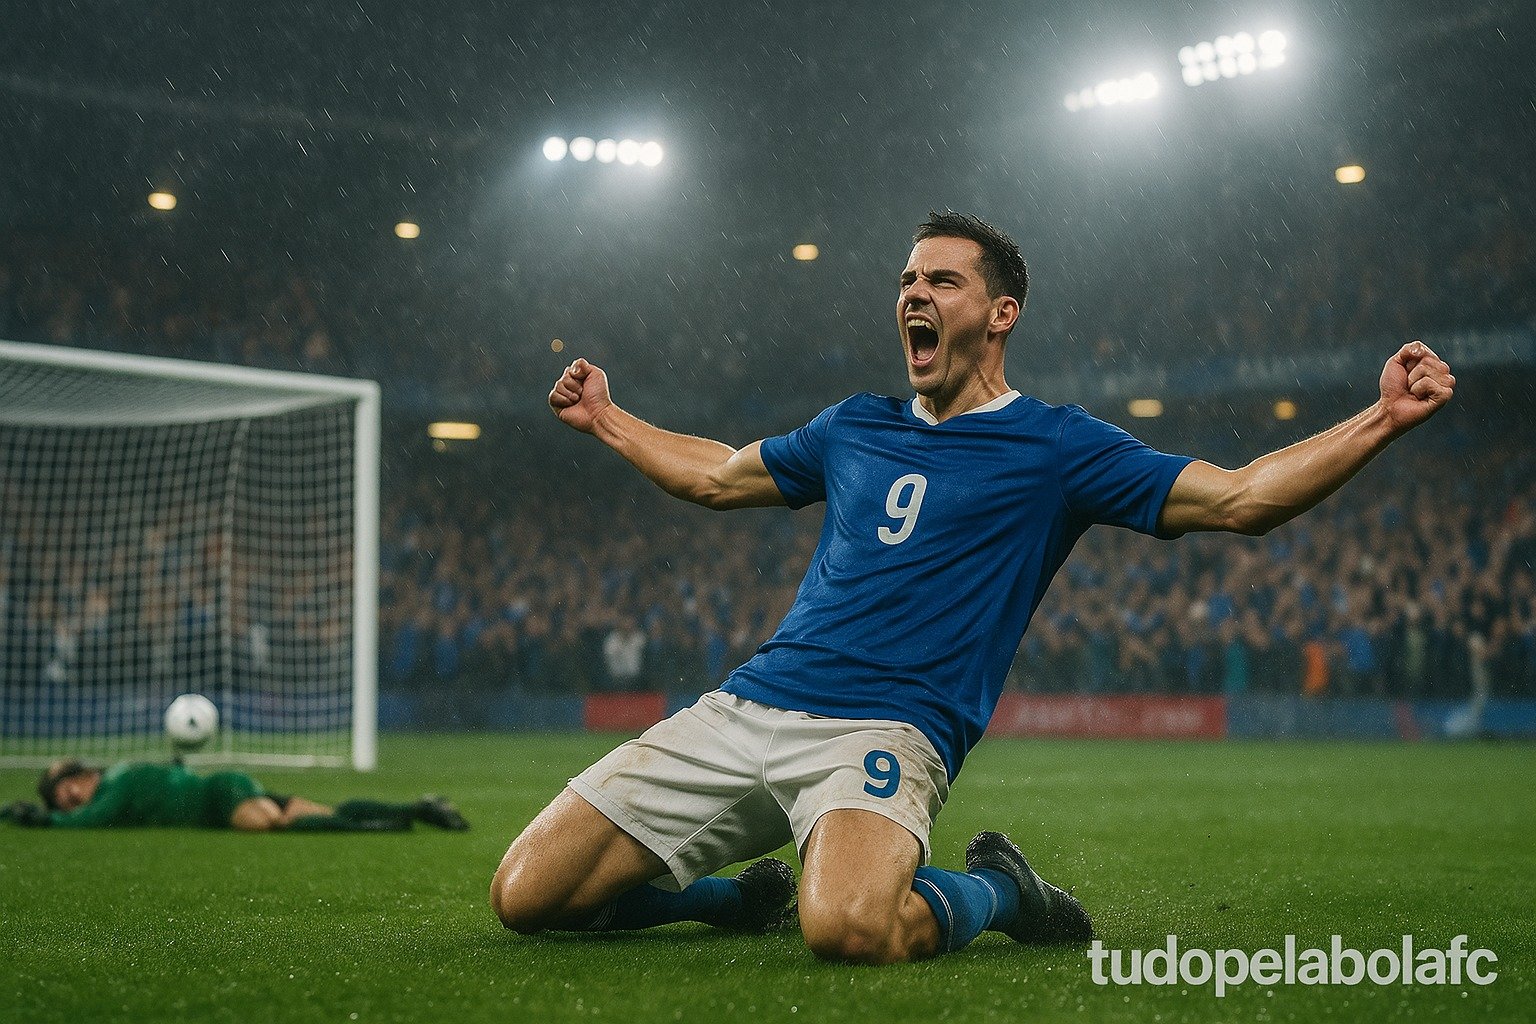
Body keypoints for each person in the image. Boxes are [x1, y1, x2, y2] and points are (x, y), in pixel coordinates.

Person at [491, 211, 1456, 963]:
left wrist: (1379, 418)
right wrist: (609, 419)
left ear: (1001, 314)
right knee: (526, 896)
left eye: (941, 281)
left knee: (850, 931)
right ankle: (730, 898)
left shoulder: (1056, 446)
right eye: (907, 280)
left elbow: (1241, 498)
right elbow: (716, 476)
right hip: (748, 706)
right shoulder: (854, 425)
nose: (914, 293)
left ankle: (999, 892)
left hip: (886, 726)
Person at [3, 757, 470, 832]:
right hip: (226, 786)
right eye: (60, 802)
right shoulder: (129, 775)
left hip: (221, 794)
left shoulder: (116, 784)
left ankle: (386, 826)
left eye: (67, 792)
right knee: (317, 810)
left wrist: (42, 819)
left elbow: (92, 820)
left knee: (269, 824)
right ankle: (417, 808)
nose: (70, 801)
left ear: (83, 775)